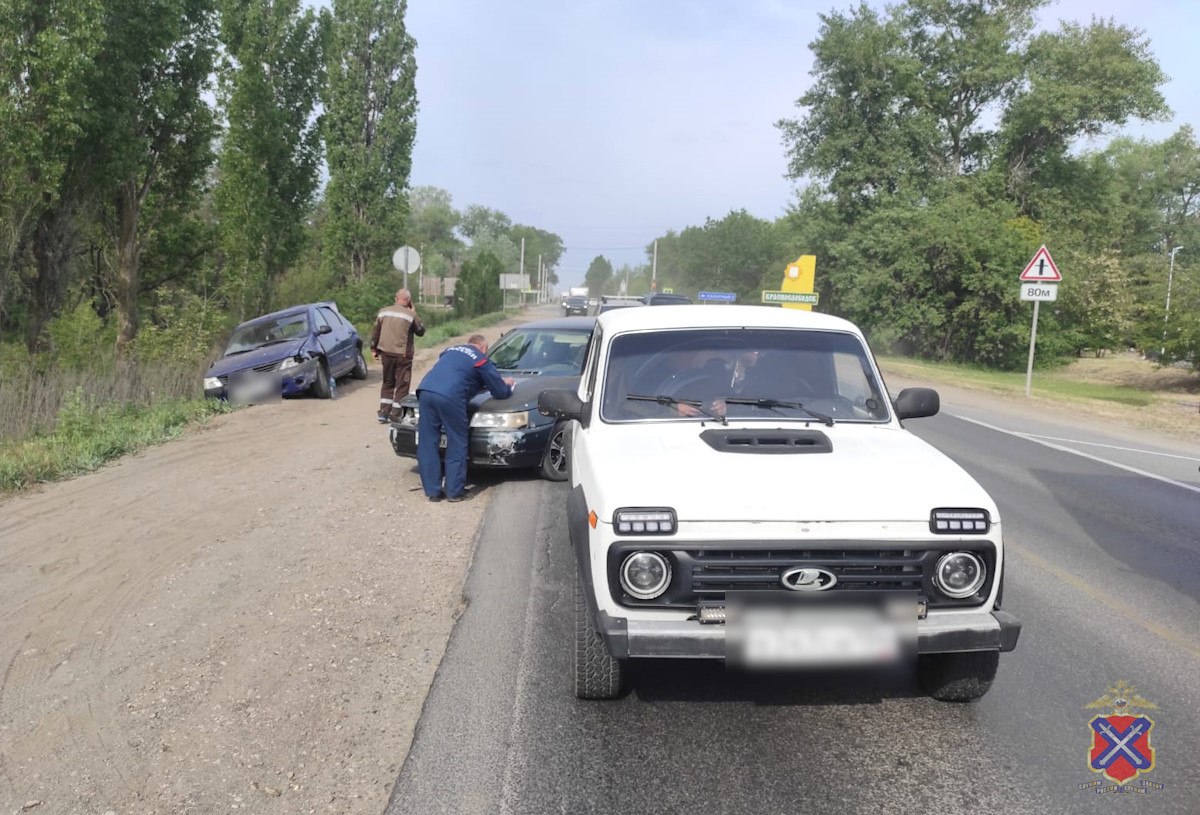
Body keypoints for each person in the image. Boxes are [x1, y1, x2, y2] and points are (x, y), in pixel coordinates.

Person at [415, 334, 514, 502]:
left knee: (427, 442)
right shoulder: (480, 358)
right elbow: (499, 392)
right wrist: (507, 384)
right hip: (449, 397)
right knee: (457, 441)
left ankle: (433, 491)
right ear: (484, 348)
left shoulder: (450, 351)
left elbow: (457, 372)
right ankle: (454, 491)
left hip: (425, 391)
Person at [371, 289, 425, 423]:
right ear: (409, 300)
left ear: (396, 299)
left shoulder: (383, 312)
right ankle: (396, 413)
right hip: (403, 355)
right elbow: (420, 331)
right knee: (402, 384)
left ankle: (383, 412)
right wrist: (414, 313)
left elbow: (376, 332)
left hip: (385, 352)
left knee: (388, 382)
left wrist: (374, 348)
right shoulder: (410, 315)